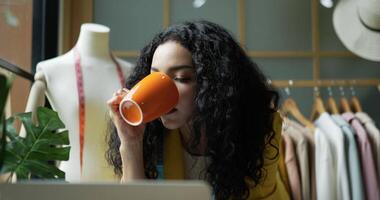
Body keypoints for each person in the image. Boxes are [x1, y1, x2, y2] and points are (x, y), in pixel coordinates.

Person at [106, 20, 289, 199]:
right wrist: (132, 143)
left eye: (182, 78)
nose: (161, 92)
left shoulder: (258, 127)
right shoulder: (152, 135)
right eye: (154, 77)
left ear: (214, 85)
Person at [23, 23, 133, 182]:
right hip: (70, 184)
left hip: (121, 187)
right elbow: (24, 142)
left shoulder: (131, 73)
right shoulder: (52, 70)